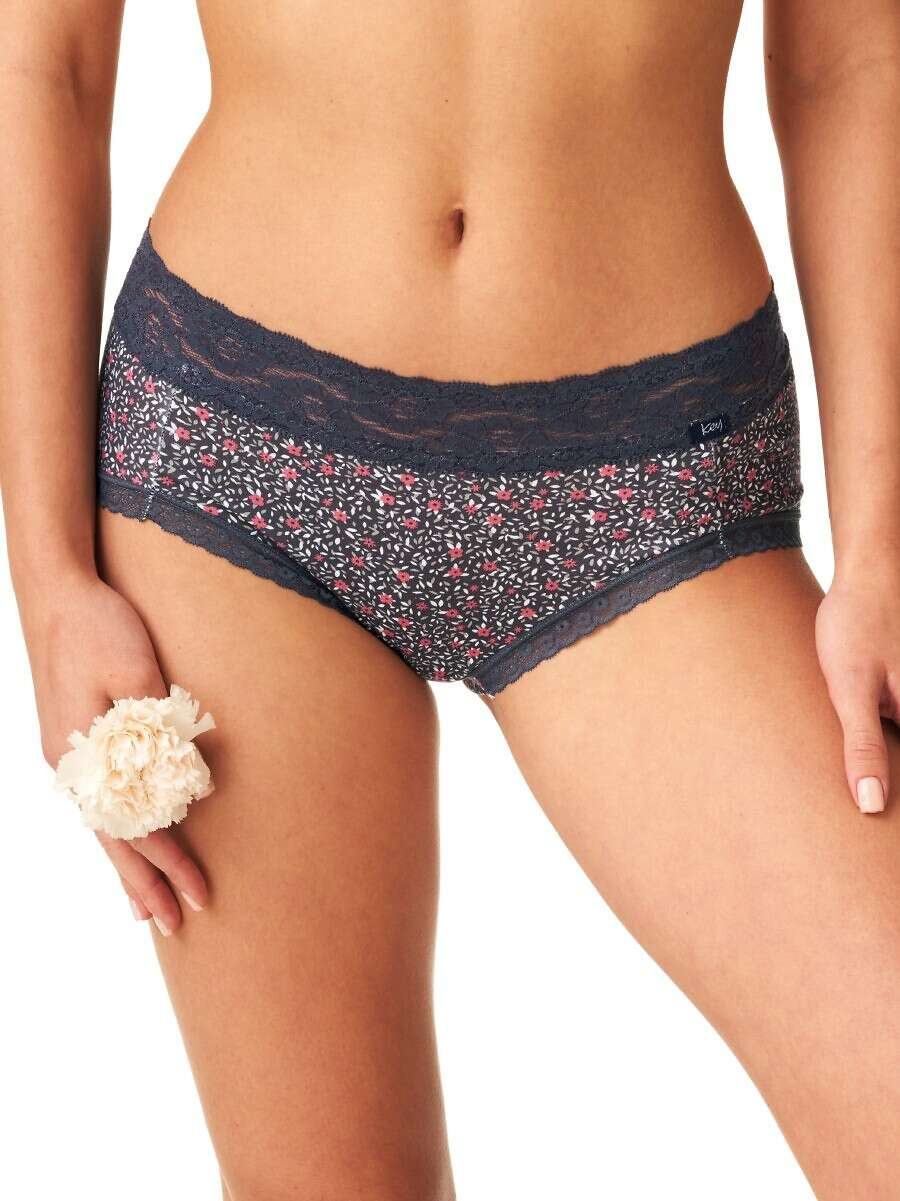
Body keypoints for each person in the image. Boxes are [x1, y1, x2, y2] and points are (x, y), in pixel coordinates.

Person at [1, 2, 897, 1199]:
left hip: (659, 484)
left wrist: (882, 547)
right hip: (236, 459)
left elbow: (849, 59)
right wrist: (50, 577)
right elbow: (42, 62)